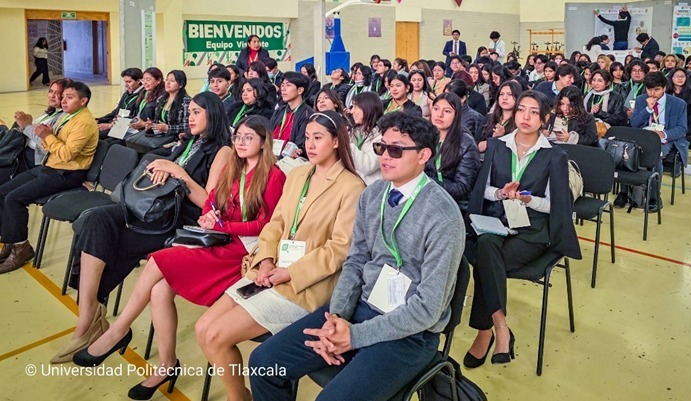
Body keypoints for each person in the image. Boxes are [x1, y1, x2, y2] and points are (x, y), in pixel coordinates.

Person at [248, 112, 465, 401]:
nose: (384, 156)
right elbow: (355, 262)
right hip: (361, 309)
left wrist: (353, 336)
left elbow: (427, 309)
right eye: (381, 147)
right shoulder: (372, 195)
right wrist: (336, 317)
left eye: (396, 150)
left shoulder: (443, 215)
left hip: (410, 332)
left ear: (423, 155)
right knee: (263, 364)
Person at [72, 116, 286, 398]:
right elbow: (212, 200)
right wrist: (209, 216)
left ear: (264, 142)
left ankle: (119, 330)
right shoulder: (234, 167)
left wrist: (223, 226)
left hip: (242, 251)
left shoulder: (274, 176)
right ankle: (167, 365)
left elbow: (265, 225)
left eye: (249, 138)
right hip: (217, 238)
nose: (241, 143)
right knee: (159, 290)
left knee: (158, 260)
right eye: (238, 137)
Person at [195, 111, 365, 401]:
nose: (310, 144)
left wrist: (288, 272)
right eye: (307, 137)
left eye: (318, 138)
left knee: (215, 335)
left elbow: (339, 249)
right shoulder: (298, 174)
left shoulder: (351, 187)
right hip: (269, 271)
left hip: (304, 285)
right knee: (202, 328)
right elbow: (276, 223)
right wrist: (266, 260)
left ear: (337, 141)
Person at [52, 93, 232, 364]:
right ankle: (88, 317)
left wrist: (176, 172)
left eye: (197, 112)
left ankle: (91, 325)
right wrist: (158, 168)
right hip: (154, 208)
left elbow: (209, 203)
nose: (190, 117)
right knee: (95, 219)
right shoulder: (190, 141)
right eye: (190, 112)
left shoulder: (223, 151)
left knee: (115, 239)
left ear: (213, 115)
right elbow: (166, 170)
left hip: (178, 220)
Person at [464, 90, 582, 368]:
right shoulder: (497, 146)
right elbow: (484, 190)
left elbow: (555, 205)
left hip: (533, 229)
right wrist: (501, 194)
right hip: (498, 221)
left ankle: (486, 333)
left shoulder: (554, 155)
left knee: (485, 261)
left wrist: (529, 200)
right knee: (486, 246)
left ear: (544, 118)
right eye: (521, 110)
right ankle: (501, 327)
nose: (525, 117)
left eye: (533, 112)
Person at [0, 82, 99, 274]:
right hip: (49, 166)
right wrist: (45, 136)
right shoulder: (68, 116)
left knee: (14, 199)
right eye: (64, 97)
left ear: (83, 101)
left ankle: (21, 248)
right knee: (3, 192)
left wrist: (47, 137)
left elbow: (67, 154)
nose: (63, 100)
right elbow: (49, 146)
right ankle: (10, 242)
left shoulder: (84, 122)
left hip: (67, 174)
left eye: (69, 97)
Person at [626, 72, 688, 211]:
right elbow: (634, 123)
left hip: (666, 139)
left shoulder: (678, 104)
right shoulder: (641, 100)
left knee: (655, 156)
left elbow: (682, 129)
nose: (652, 93)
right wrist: (648, 109)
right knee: (626, 152)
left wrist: (663, 134)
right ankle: (626, 192)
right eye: (649, 89)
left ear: (664, 88)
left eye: (656, 90)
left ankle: (654, 196)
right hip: (644, 136)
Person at [6, 78, 72, 183]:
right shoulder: (50, 113)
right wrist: (23, 123)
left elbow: (47, 144)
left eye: (57, 93)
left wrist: (27, 126)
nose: (52, 95)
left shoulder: (64, 117)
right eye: (51, 91)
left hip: (33, 161)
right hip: (19, 154)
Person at [426, 93, 480, 212]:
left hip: (451, 206)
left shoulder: (466, 143)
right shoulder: (426, 135)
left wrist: (425, 182)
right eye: (436, 109)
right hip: (426, 198)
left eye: (447, 111)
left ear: (457, 115)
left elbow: (462, 187)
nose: (439, 114)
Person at [271, 72, 314, 159]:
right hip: (270, 154)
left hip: (288, 159)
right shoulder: (280, 110)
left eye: (288, 85)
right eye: (282, 85)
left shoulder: (307, 114)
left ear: (300, 90)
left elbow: (299, 145)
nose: (283, 89)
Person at [349, 92, 383, 186]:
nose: (352, 111)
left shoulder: (382, 136)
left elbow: (367, 166)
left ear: (368, 108)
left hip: (370, 188)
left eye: (355, 107)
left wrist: (346, 143)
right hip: (353, 185)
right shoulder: (355, 132)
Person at [96, 68, 143, 135]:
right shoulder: (126, 94)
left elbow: (134, 118)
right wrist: (99, 120)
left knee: (97, 135)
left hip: (127, 129)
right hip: (117, 124)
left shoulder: (143, 96)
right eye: (125, 82)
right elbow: (116, 111)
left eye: (129, 82)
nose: (125, 85)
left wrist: (110, 125)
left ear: (138, 81)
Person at [479, 81, 522, 153]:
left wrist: (502, 137)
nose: (504, 98)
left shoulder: (520, 122)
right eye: (501, 94)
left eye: (510, 94)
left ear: (517, 97)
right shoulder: (488, 118)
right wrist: (493, 140)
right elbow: (476, 146)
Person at [148, 70, 191, 140]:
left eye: (172, 81)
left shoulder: (186, 101)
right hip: (160, 137)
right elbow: (157, 120)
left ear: (181, 85)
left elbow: (188, 126)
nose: (167, 83)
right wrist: (151, 125)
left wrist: (168, 128)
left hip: (177, 139)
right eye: (167, 80)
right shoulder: (161, 99)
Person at [445, 79, 485, 143]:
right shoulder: (443, 114)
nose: (447, 100)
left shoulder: (474, 118)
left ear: (463, 98)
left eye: (451, 97)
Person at [129, 67, 165, 132]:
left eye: (148, 80)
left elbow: (159, 122)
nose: (145, 83)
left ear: (158, 80)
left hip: (149, 131)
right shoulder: (144, 93)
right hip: (136, 127)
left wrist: (143, 124)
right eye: (143, 80)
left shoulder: (162, 97)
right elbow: (135, 113)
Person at [668, 68, 691, 138]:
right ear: (672, 78)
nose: (680, 78)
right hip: (669, 123)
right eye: (677, 76)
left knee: (672, 133)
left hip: (687, 124)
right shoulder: (667, 92)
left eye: (682, 76)